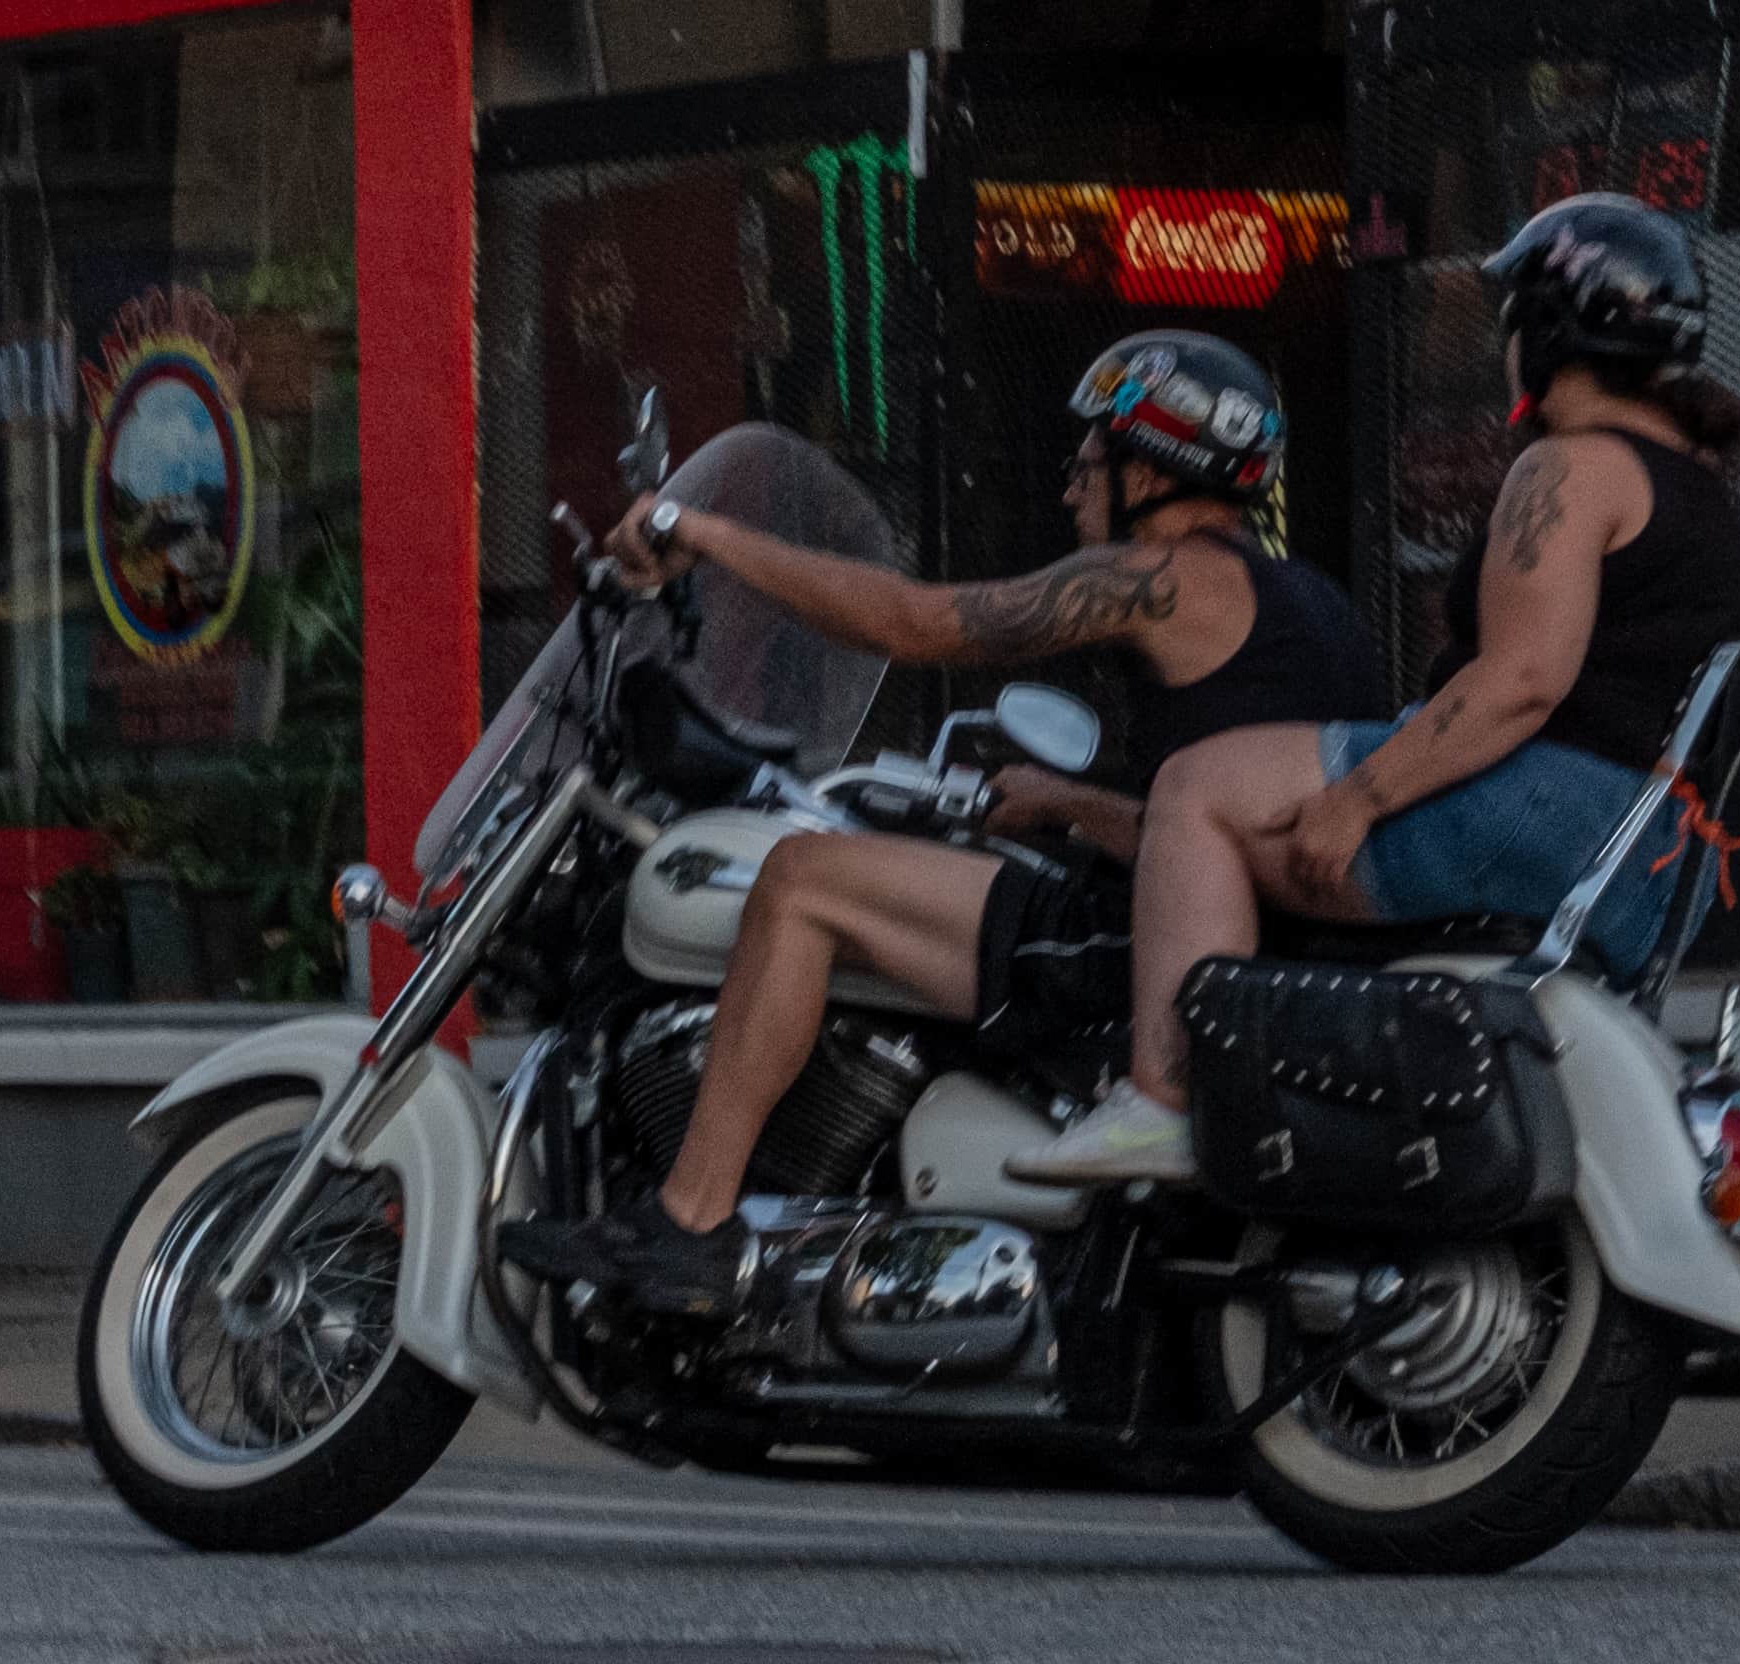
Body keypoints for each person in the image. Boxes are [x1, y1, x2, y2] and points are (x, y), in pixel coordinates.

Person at [564, 329, 1384, 1305]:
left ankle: (689, 1221)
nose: (1071, 485)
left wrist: (704, 535)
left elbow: (919, 622)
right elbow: (1235, 837)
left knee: (802, 879)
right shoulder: (1309, 599)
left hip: (1134, 955)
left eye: (1090, 459)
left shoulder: (1164, 578)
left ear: (1152, 466)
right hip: (1244, 944)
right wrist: (1074, 805)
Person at [1110, 193, 1740, 1160]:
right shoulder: (1696, 489)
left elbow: (1520, 683)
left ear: (1546, 332)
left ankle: (1159, 1105)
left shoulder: (1569, 469)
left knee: (1196, 788)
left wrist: (1359, 799)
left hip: (1557, 818)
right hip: (1657, 867)